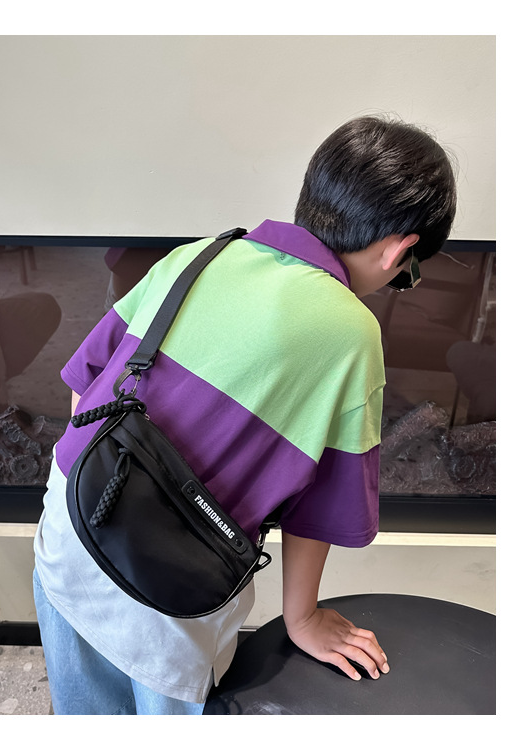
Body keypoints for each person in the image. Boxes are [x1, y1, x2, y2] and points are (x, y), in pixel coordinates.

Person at [32, 114, 458, 715]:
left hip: (67, 528)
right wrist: (302, 618)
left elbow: (84, 385)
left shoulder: (199, 255)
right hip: (168, 596)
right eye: (406, 275)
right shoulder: (352, 332)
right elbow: (322, 508)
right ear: (399, 249)